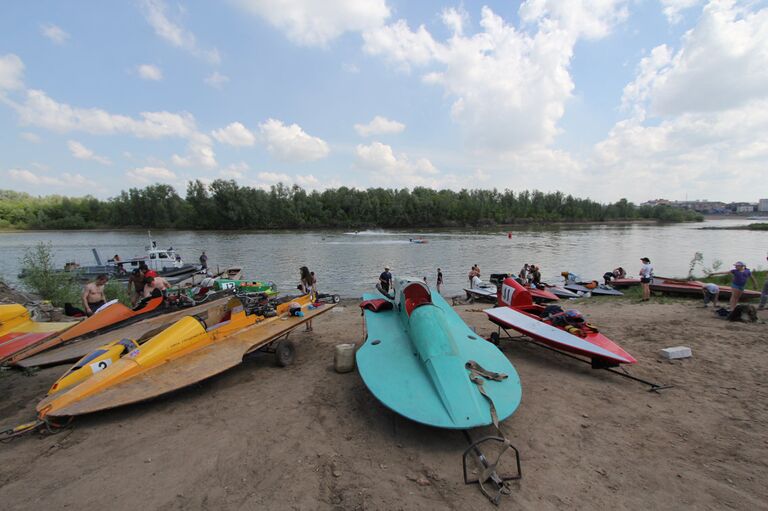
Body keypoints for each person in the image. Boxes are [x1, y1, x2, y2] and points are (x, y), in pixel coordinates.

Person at [299, 266, 315, 331]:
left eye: (301, 271)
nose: (300, 272)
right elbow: (313, 288)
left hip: (306, 296)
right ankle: (310, 327)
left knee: (305, 311)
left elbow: (303, 290)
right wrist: (313, 296)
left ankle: (307, 327)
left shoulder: (303, 279)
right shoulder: (311, 277)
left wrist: (303, 294)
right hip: (311, 295)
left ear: (303, 272)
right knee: (310, 311)